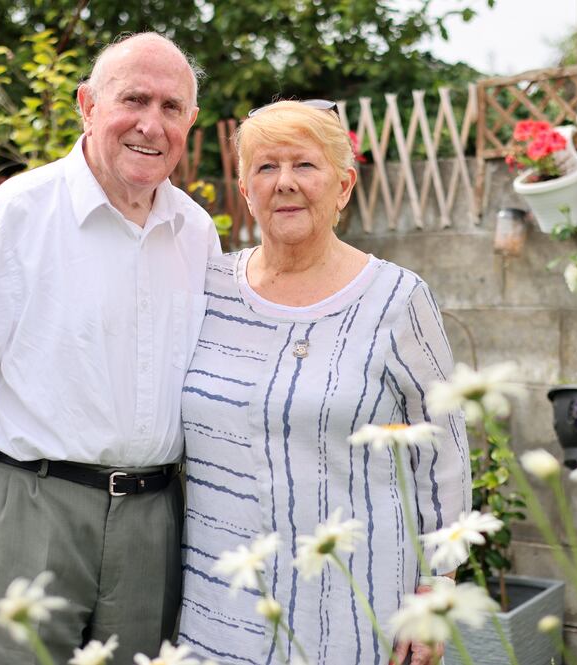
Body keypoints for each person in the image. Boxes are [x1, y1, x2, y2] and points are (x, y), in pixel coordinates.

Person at [0, 33, 221, 661]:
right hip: (31, 515)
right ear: (87, 104)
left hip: (154, 523)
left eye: (172, 107)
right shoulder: (16, 214)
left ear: (191, 121)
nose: (151, 125)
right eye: (133, 99)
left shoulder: (196, 232)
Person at [177, 101, 470, 665]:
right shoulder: (206, 287)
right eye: (265, 168)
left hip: (354, 609)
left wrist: (437, 592)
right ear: (244, 189)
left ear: (343, 186)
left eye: (304, 166)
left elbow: (445, 455)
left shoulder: (396, 298)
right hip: (219, 611)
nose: (284, 183)